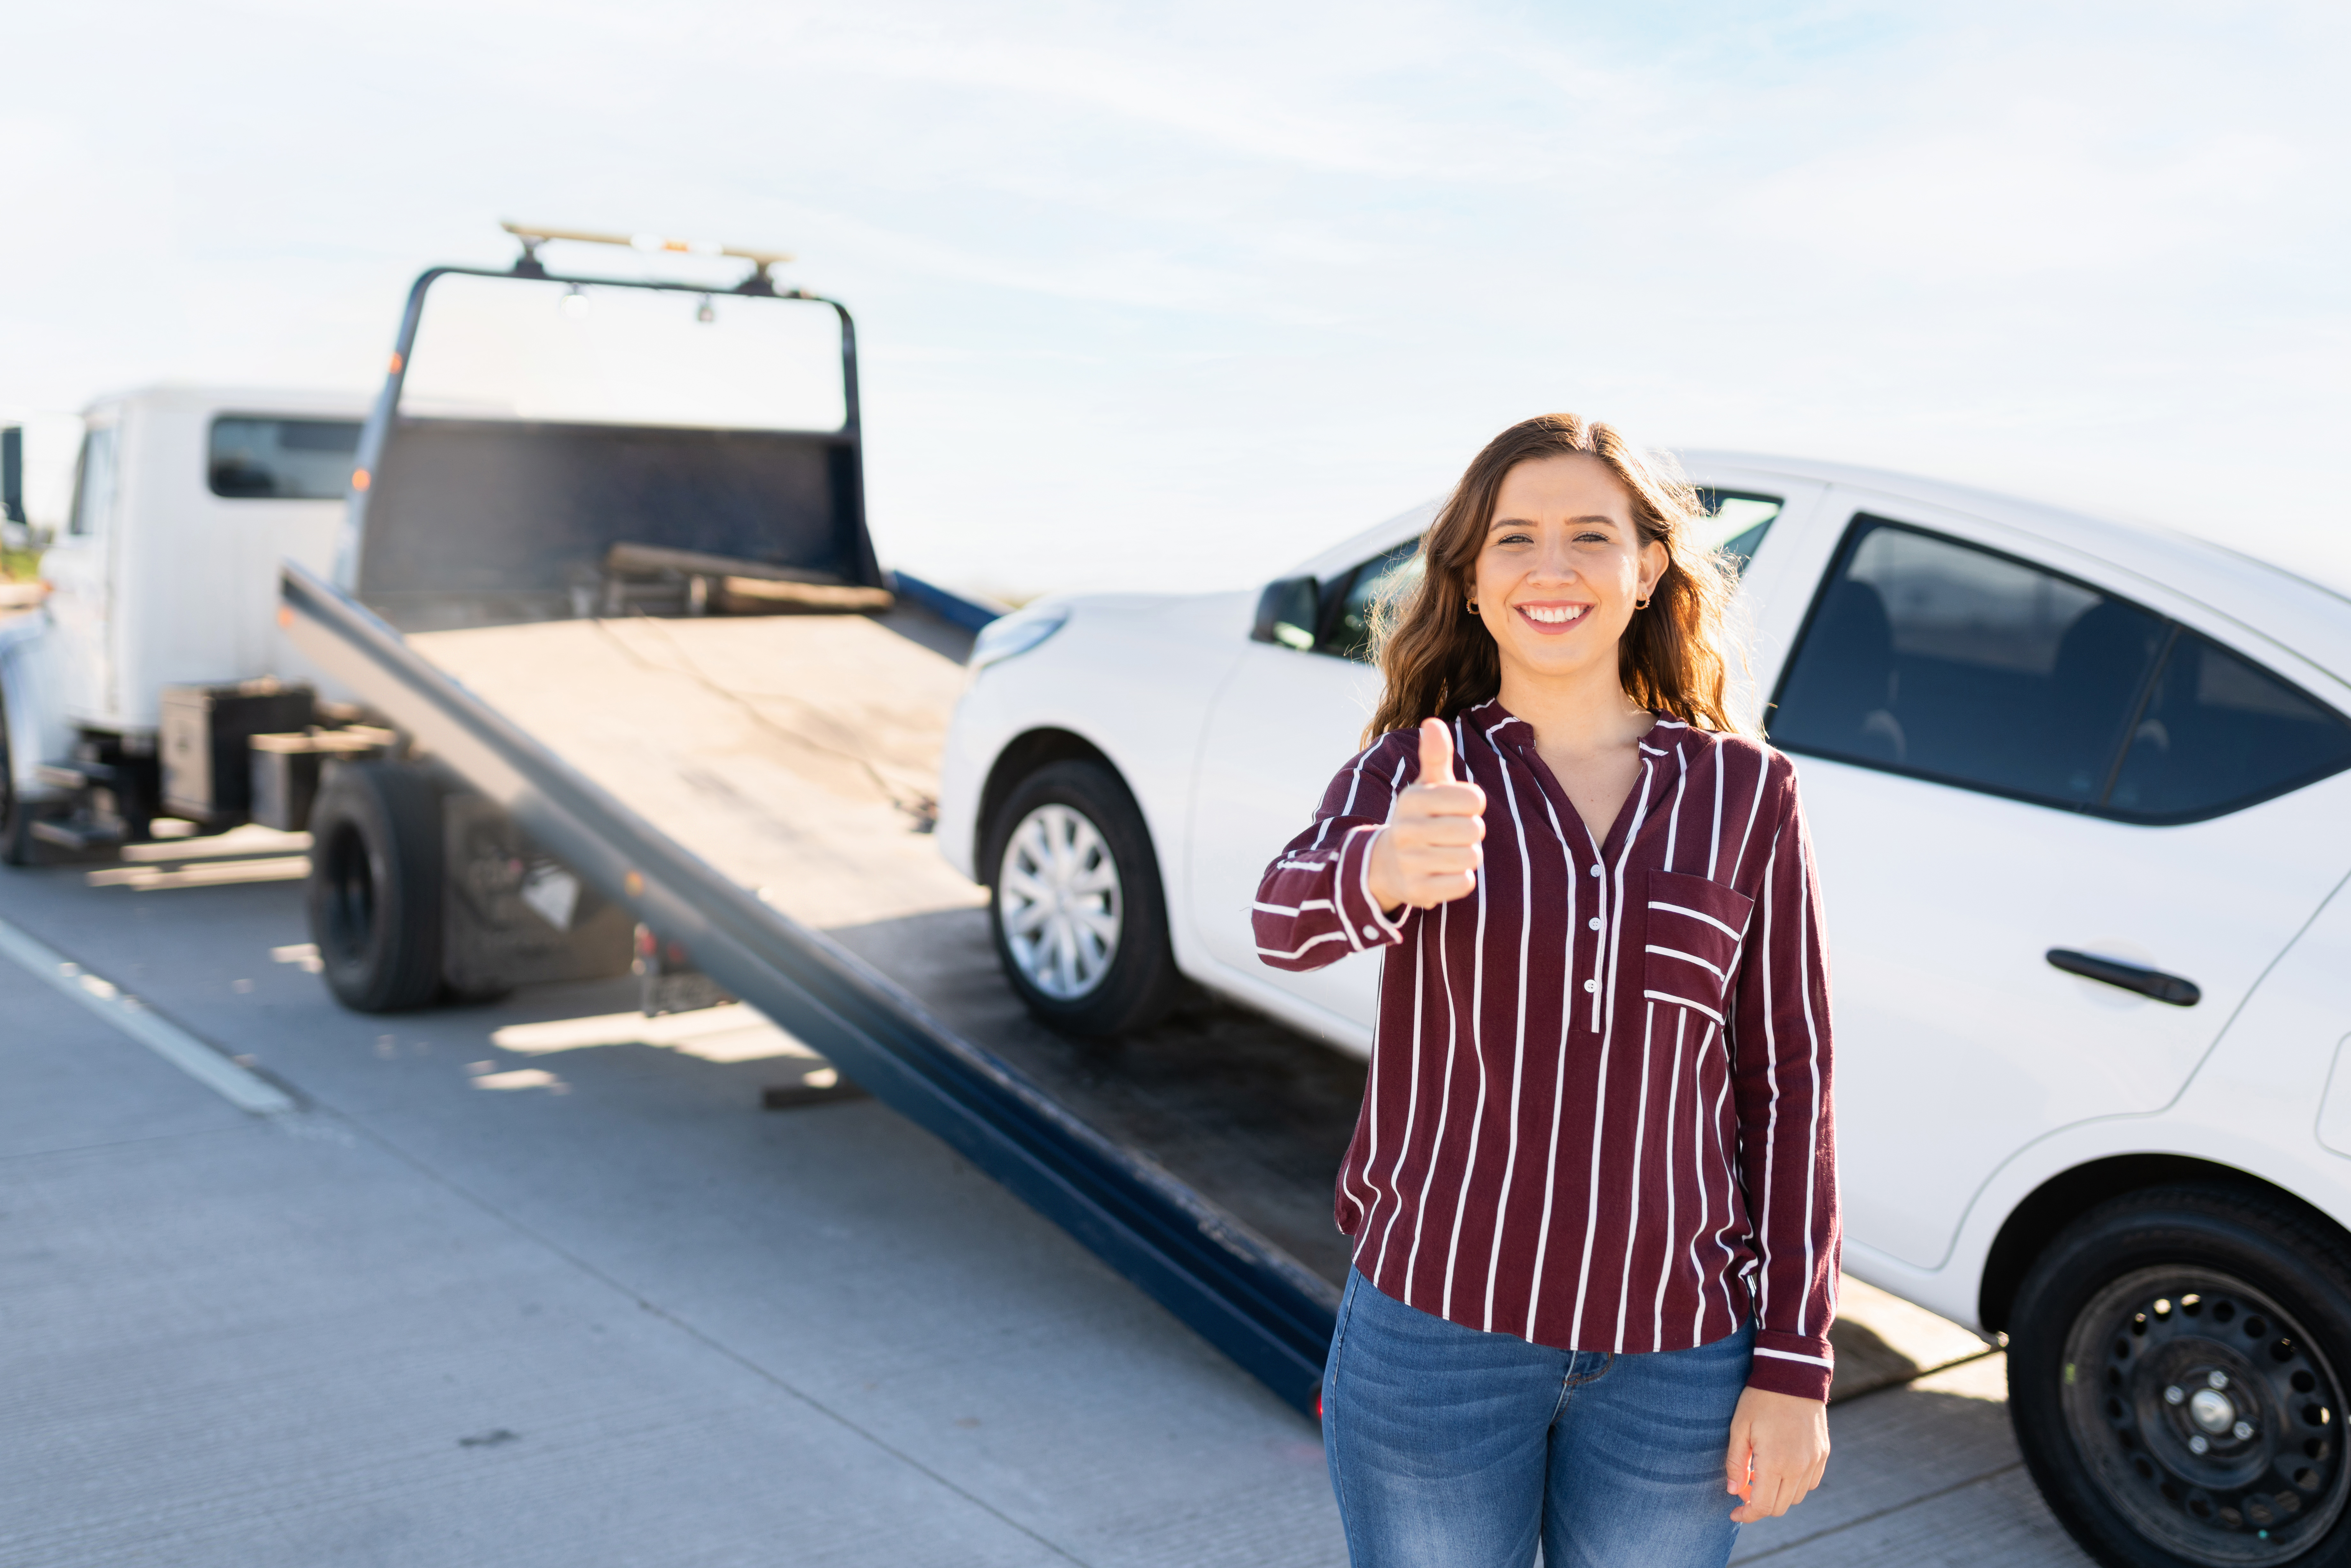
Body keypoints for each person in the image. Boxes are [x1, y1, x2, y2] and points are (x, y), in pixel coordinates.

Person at [1253, 413, 1837, 1567]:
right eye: (1514, 538)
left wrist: (1793, 1363)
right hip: (1434, 1338)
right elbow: (1281, 921)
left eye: (1589, 536)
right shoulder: (1413, 770)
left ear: (1648, 569)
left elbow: (1791, 1083)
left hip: (1678, 1362)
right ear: (1470, 579)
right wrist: (1377, 867)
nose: (1551, 567)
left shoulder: (1745, 793)